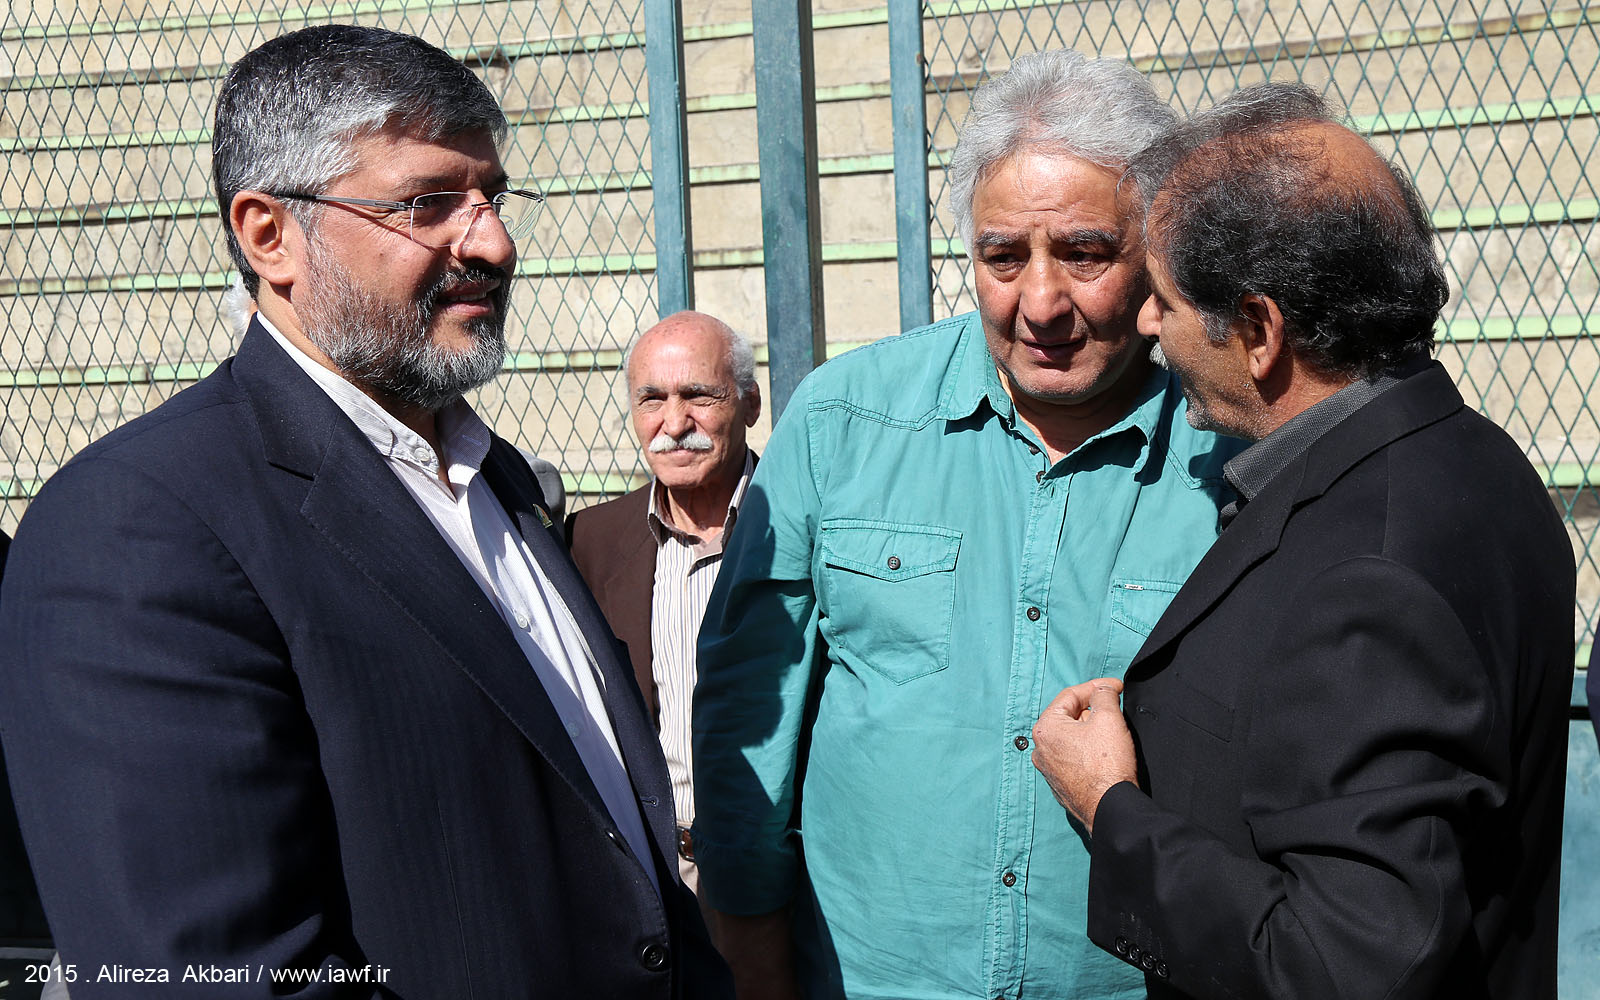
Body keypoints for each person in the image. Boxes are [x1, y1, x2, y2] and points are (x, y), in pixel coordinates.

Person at [0, 25, 729, 998]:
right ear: (270, 235)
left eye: (491, 196)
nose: (493, 243)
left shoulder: (498, 477)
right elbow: (209, 973)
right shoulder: (138, 526)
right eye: (427, 203)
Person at [691, 49, 1242, 1000]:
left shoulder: (1228, 459)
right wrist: (750, 952)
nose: (1041, 304)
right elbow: (751, 708)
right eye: (1003, 257)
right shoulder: (841, 423)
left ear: (1157, 251)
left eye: (1084, 253)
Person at [1030, 82, 1575, 998]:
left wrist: (1111, 809)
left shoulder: (1372, 570)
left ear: (1258, 330)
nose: (1148, 323)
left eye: (1164, 298)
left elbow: (1341, 961)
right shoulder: (1473, 457)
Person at [567, 311, 760, 902]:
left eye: (698, 396)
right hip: (649, 873)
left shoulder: (804, 525)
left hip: (781, 872)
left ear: (750, 405)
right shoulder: (588, 542)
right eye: (652, 399)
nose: (674, 424)